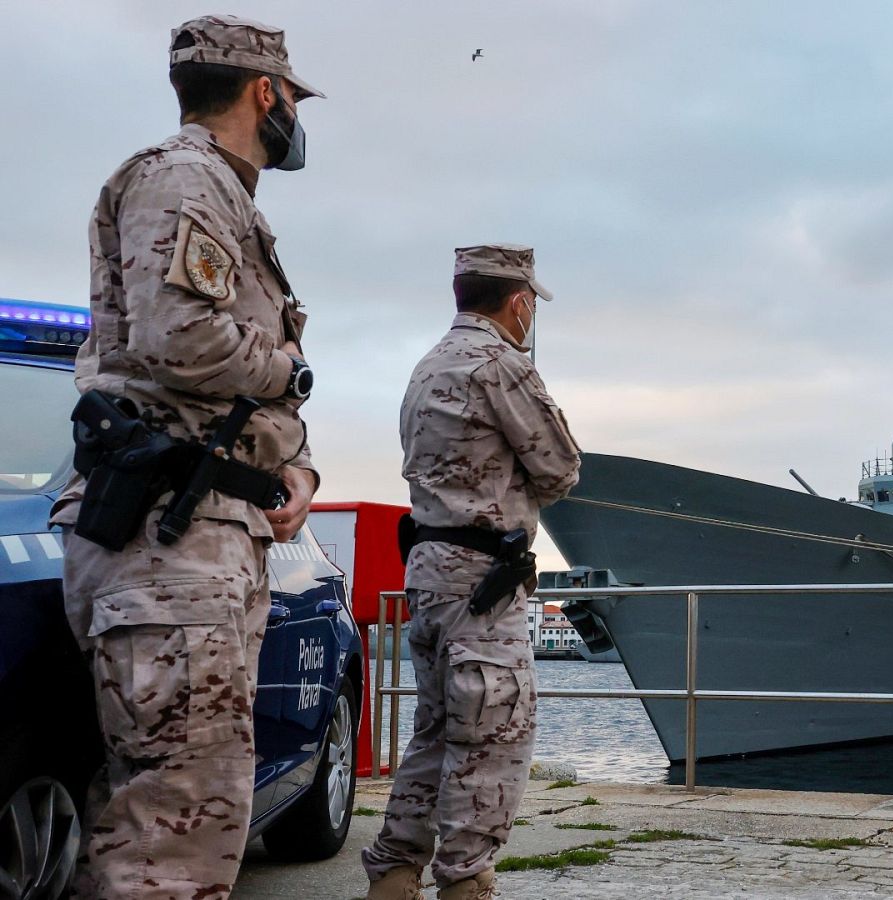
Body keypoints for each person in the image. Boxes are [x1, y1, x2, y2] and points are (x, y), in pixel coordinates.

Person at [49, 14, 324, 899]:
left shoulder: (222, 195)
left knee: (178, 814)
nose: (295, 119)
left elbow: (224, 392)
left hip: (203, 529)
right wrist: (292, 368)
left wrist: (296, 467)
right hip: (170, 538)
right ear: (265, 92)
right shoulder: (184, 177)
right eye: (292, 100)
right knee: (175, 830)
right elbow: (181, 339)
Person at [363, 244, 580, 900]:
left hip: (428, 570)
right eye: (530, 306)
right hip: (484, 582)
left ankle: (394, 875)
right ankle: (465, 882)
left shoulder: (427, 365)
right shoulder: (502, 365)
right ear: (519, 303)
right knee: (492, 737)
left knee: (434, 733)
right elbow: (560, 469)